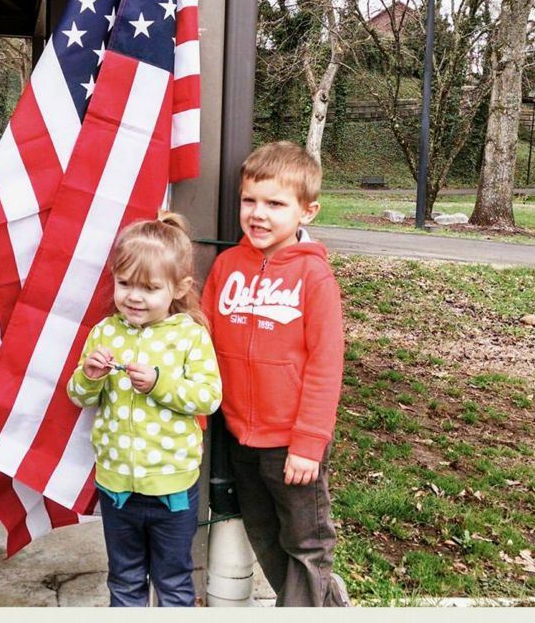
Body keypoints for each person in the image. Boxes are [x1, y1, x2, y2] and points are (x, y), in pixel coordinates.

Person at [201, 141, 349, 607]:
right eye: (250, 200)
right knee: (264, 534)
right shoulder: (227, 267)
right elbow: (201, 341)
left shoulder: (315, 278)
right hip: (241, 437)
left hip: (292, 445)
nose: (258, 214)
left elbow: (326, 366)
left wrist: (308, 443)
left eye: (275, 204)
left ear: (308, 211)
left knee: (306, 544)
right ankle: (321, 606)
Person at [67, 212, 222, 607]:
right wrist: (90, 374)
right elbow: (78, 396)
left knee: (173, 584)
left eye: (150, 288)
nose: (133, 297)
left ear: (178, 287)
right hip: (117, 489)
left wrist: (159, 384)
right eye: (124, 284)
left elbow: (208, 397)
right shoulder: (105, 332)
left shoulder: (189, 335)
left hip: (171, 490)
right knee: (124, 581)